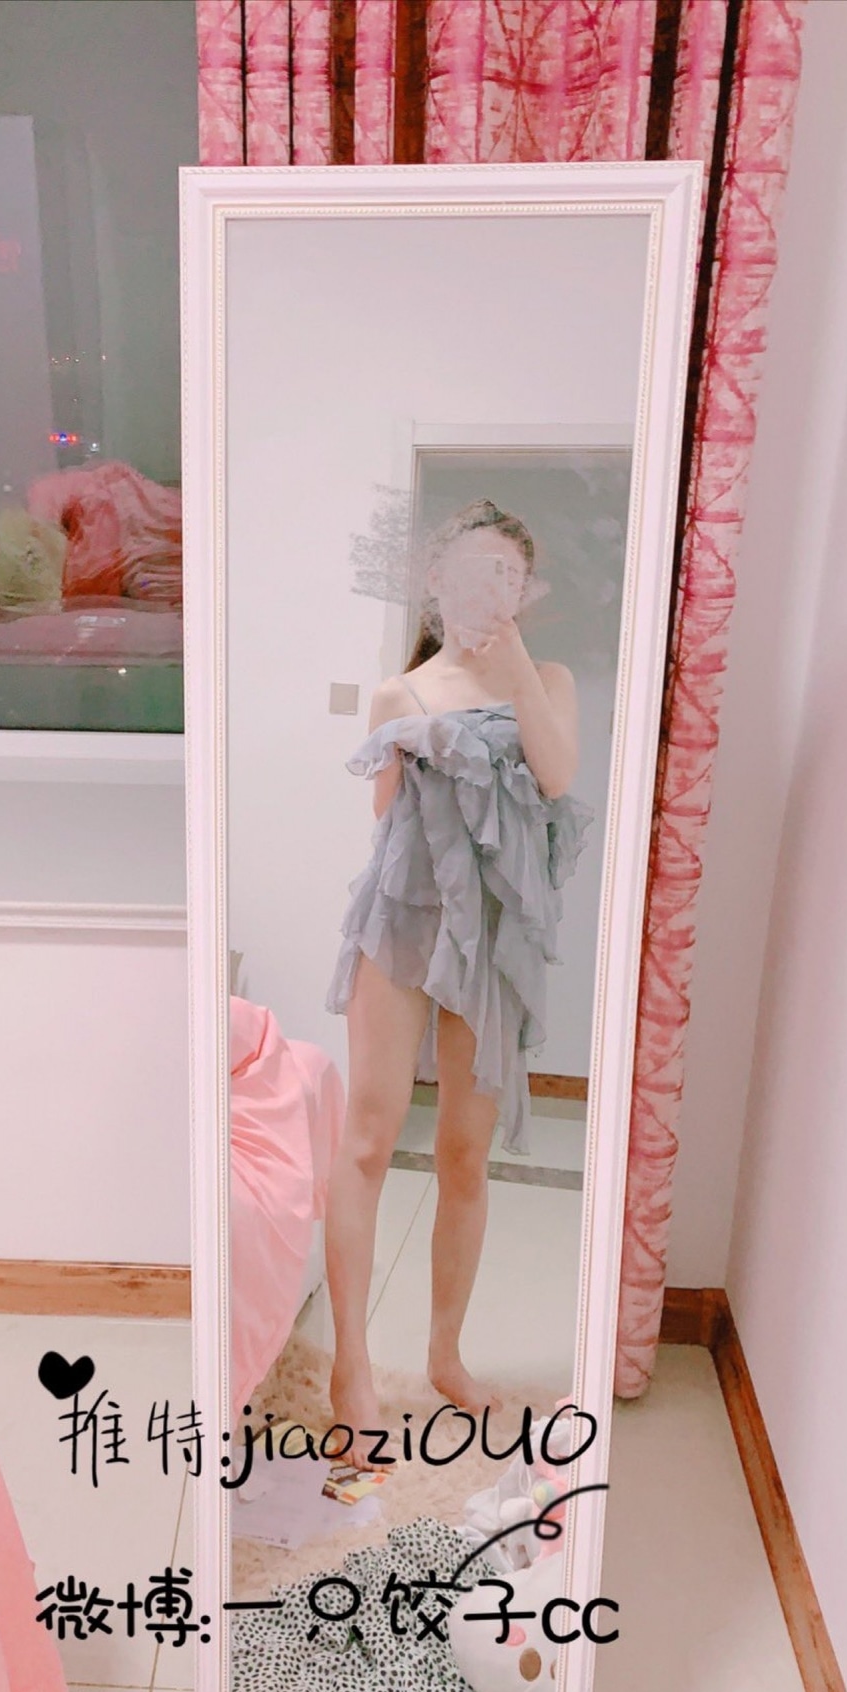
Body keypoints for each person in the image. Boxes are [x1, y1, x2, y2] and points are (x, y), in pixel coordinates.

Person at [323, 499, 593, 1466]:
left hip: (496, 939)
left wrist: (511, 661)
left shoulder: (547, 679)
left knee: (466, 1155)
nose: (494, 585)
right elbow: (386, 823)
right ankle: (351, 1367)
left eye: (509, 572)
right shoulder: (397, 694)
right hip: (402, 922)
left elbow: (557, 778)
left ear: (526, 589)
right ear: (435, 582)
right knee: (368, 1137)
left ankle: (445, 1356)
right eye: (477, 569)